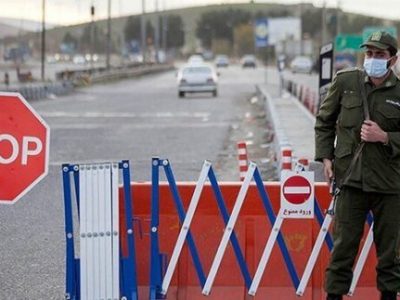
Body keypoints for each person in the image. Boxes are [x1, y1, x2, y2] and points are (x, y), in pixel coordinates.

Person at [315, 30, 400, 300]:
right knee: (342, 250)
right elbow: (324, 122)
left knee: (391, 255)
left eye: (380, 54)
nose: (372, 58)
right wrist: (326, 158)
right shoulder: (346, 81)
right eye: (369, 53)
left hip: (390, 184)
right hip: (351, 181)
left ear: (393, 59)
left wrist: (385, 137)